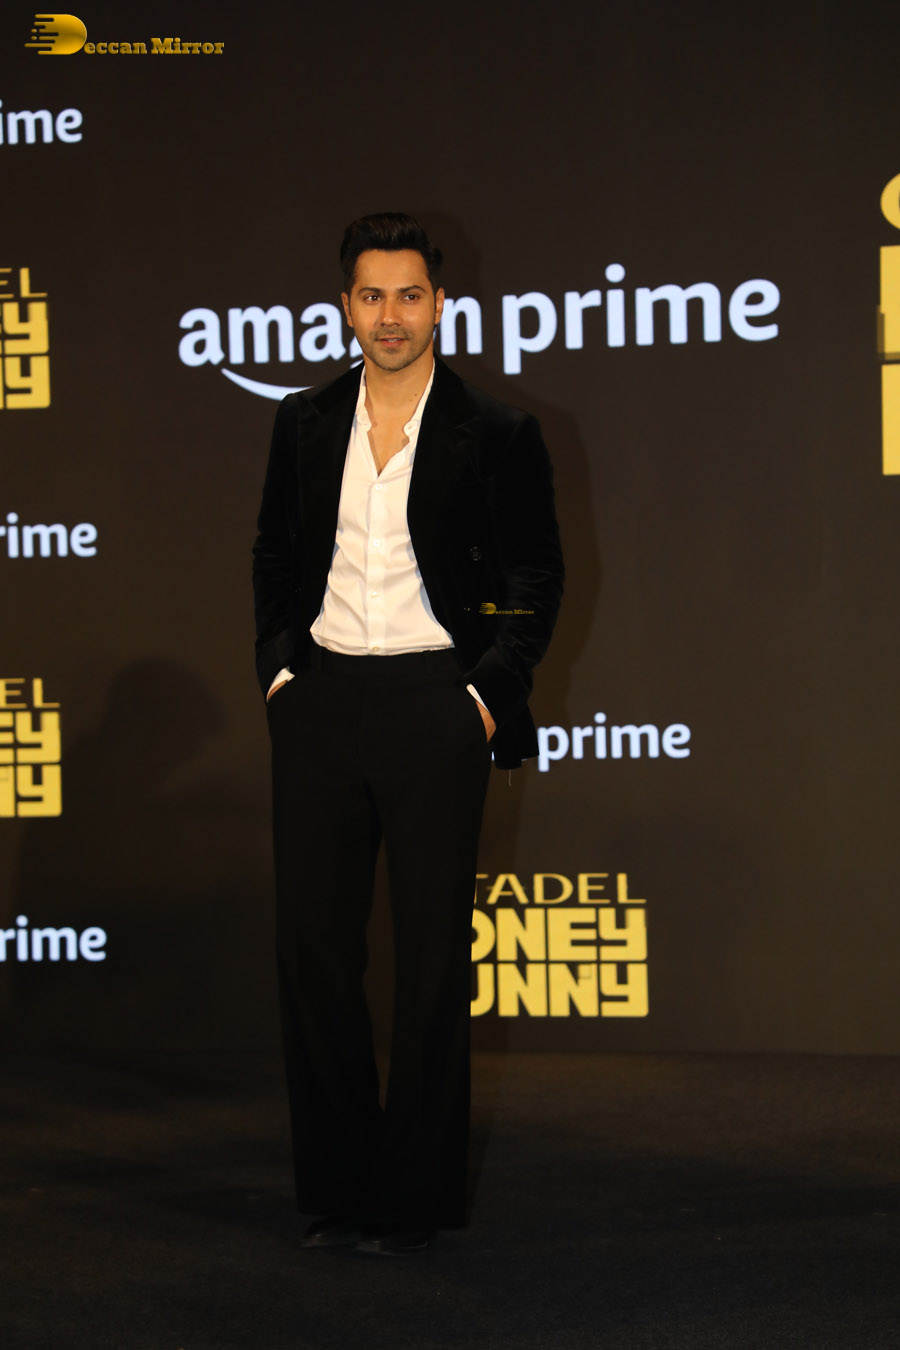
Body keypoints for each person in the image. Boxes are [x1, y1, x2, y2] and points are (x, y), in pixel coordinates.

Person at [252, 212, 564, 1255]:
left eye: (410, 295)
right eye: (372, 295)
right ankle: (340, 1186)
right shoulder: (302, 422)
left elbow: (535, 576)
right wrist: (281, 673)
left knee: (431, 963)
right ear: (347, 306)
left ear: (440, 304)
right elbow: (272, 557)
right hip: (321, 700)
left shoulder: (500, 431)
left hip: (437, 703)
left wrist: (485, 691)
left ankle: (413, 1197)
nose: (391, 316)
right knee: (314, 954)